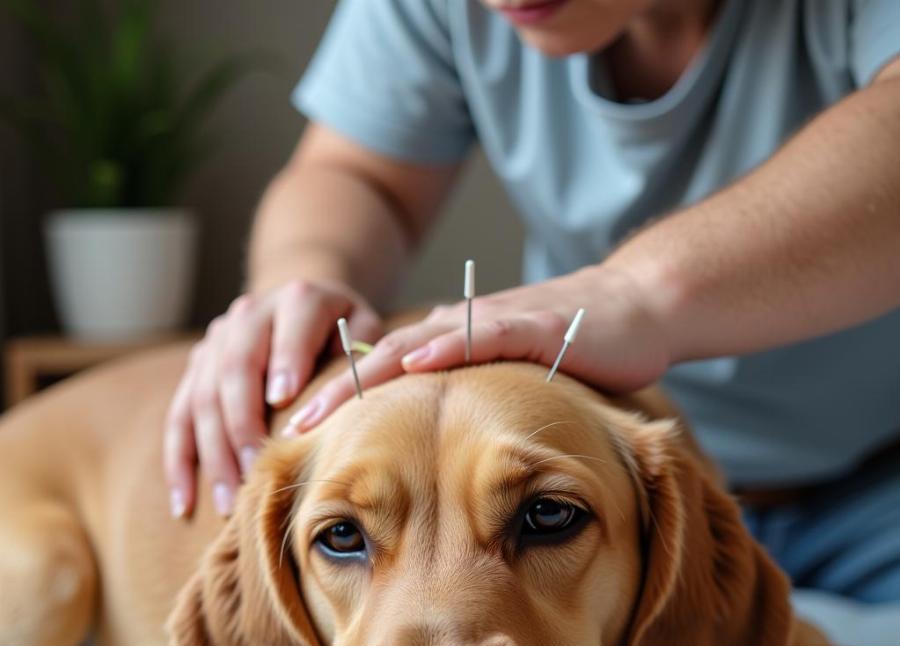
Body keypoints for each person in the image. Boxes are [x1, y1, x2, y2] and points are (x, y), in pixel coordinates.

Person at [164, 0, 900, 602]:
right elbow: (361, 176)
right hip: (600, 522)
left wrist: (634, 295)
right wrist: (304, 276)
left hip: (873, 492)